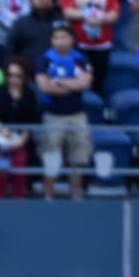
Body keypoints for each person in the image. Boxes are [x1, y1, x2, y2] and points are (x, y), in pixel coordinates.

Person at [35, 23, 91, 200]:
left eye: (64, 37)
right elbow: (44, 86)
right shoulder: (44, 60)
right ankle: (48, 195)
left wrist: (59, 82)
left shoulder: (80, 59)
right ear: (52, 40)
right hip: (53, 115)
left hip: (77, 114)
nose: (60, 41)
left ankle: (76, 194)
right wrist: (72, 84)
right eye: (56, 37)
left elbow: (85, 83)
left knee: (78, 156)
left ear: (72, 39)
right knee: (51, 157)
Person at [0, 56, 40, 198]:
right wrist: (0, 128)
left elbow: (33, 120)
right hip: (0, 140)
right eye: (10, 75)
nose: (13, 79)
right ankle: (0, 203)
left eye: (18, 76)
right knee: (1, 173)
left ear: (25, 77)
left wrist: (22, 140)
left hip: (21, 140)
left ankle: (19, 204)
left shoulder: (30, 95)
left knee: (20, 168)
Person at [61, 0, 118, 94]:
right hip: (79, 42)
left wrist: (100, 19)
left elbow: (114, 13)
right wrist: (87, 16)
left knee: (99, 81)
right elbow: (67, 11)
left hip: (102, 43)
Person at [7, 0, 60, 67]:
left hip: (58, 70)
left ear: (51, 0)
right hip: (27, 71)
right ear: (31, 0)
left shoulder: (61, 21)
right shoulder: (21, 23)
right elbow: (11, 49)